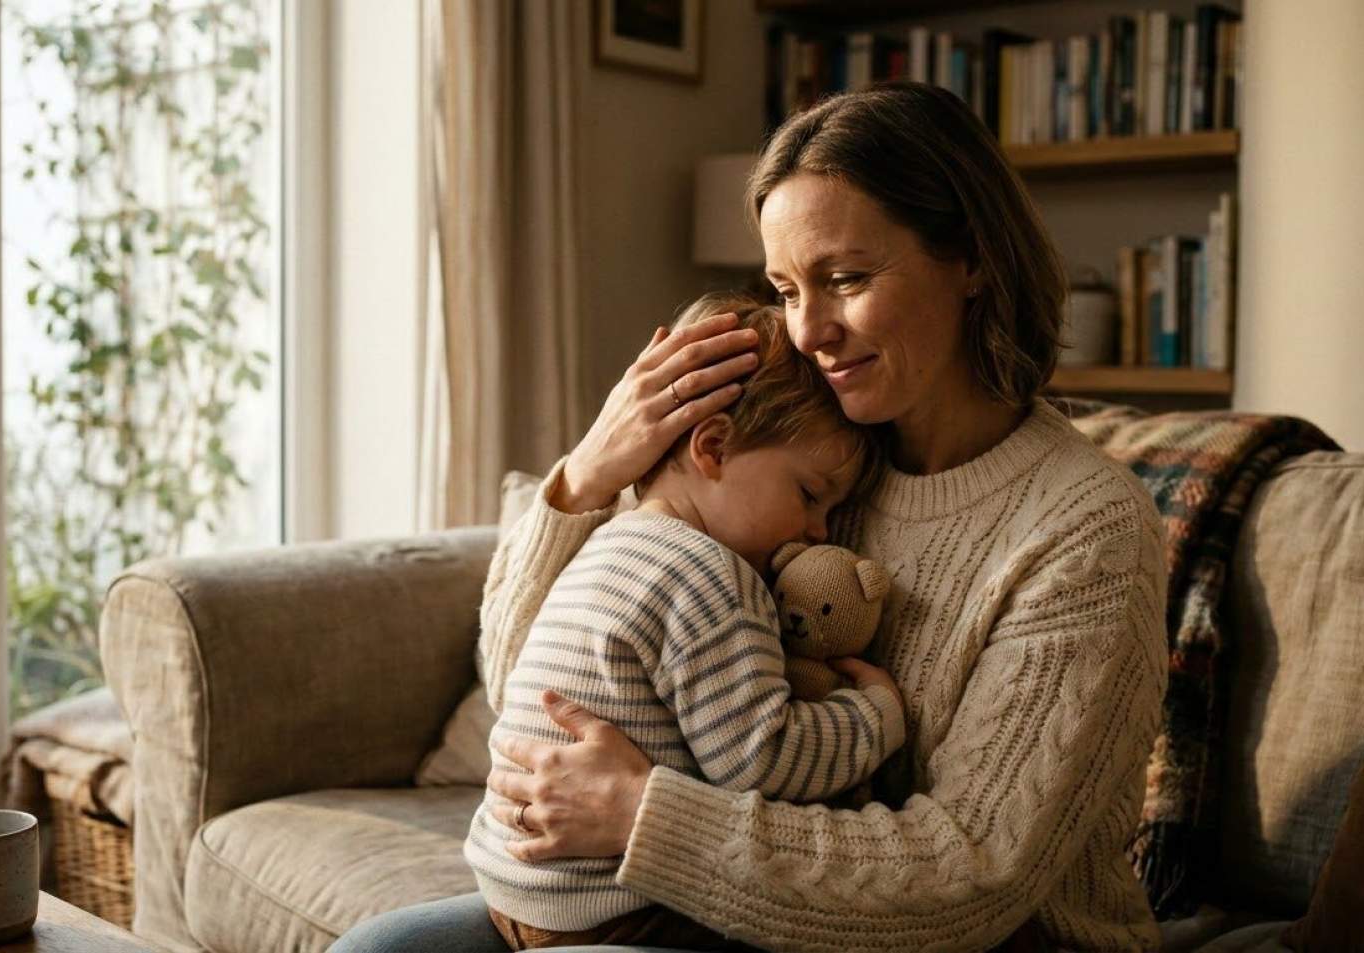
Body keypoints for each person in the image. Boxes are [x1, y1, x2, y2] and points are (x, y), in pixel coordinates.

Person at [332, 82, 1168, 953]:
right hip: (729, 909)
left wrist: (640, 814)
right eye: (784, 287)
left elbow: (968, 874)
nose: (808, 331)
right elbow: (538, 702)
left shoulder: (1084, 530)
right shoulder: (806, 468)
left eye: (844, 279)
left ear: (971, 260)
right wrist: (587, 478)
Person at [468, 291, 904, 952]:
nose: (817, 531)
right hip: (608, 906)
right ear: (714, 446)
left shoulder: (607, 542)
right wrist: (872, 715)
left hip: (511, 885)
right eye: (810, 495)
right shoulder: (711, 578)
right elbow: (764, 759)